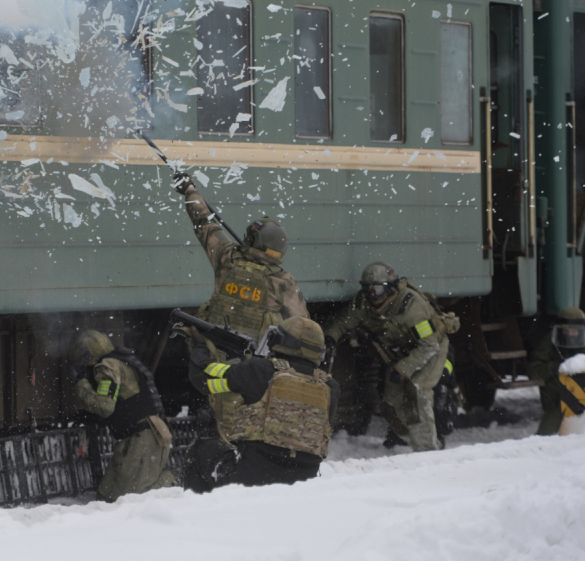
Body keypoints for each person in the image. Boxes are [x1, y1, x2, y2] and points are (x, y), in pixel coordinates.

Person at [173, 172, 309, 437]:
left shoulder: (226, 258)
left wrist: (190, 190)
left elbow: (204, 223)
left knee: (226, 422)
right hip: (258, 370)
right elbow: (302, 325)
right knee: (256, 425)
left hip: (217, 364)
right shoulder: (283, 282)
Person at [184, 316, 339, 490]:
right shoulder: (331, 388)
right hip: (303, 483)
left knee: (201, 449)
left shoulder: (259, 370)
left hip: (251, 478)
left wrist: (200, 345)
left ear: (281, 340)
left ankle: (198, 511)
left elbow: (204, 378)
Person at [323, 262, 450, 452]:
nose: (372, 294)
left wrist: (403, 369)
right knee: (390, 403)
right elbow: (343, 322)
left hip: (429, 351)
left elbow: (429, 345)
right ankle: (412, 436)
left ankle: (428, 451)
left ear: (390, 288)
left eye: (377, 289)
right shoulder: (364, 303)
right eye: (368, 289)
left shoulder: (411, 307)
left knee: (416, 394)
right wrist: (330, 337)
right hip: (401, 353)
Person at [67, 330, 177, 502]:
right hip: (140, 436)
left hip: (143, 437)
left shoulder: (107, 366)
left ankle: (173, 482)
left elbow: (105, 406)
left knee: (131, 499)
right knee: (106, 497)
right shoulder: (121, 361)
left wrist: (82, 385)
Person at [548, 307, 585, 434]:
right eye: (567, 330)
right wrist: (555, 374)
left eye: (575, 331)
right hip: (556, 381)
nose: (571, 333)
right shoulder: (549, 341)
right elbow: (537, 363)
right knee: (555, 406)